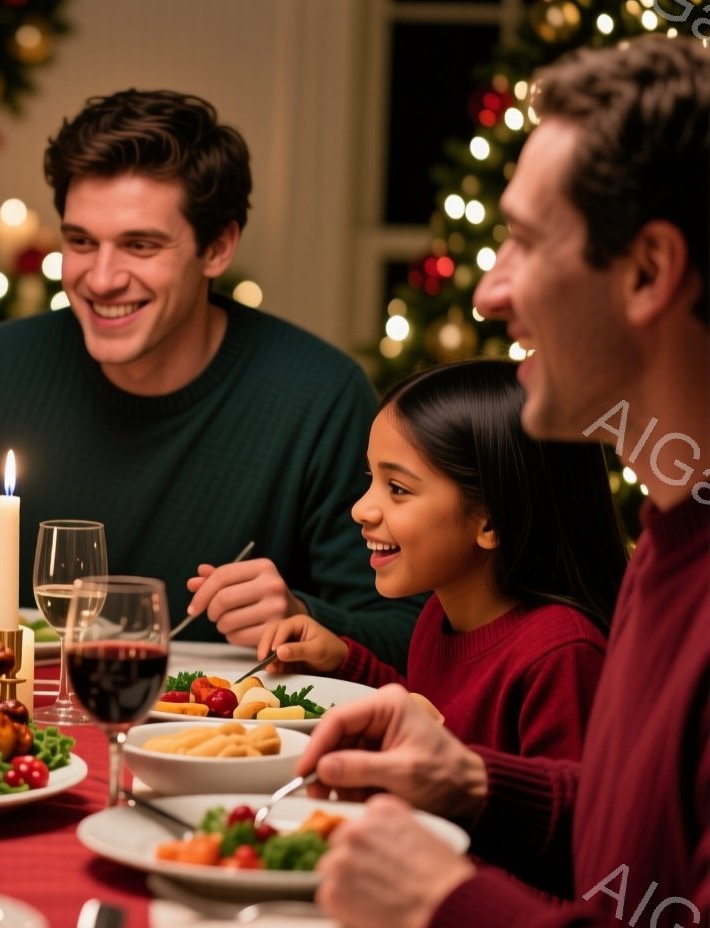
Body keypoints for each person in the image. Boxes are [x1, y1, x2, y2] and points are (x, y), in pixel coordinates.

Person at [0, 90, 419, 664]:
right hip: (35, 725)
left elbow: (405, 631)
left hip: (225, 746)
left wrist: (308, 618)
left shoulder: (319, 393)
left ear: (217, 248)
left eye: (140, 246)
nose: (101, 278)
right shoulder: (8, 361)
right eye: (81, 242)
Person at [294, 38, 709, 927]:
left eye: (523, 240)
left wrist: (447, 902)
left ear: (647, 272)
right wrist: (476, 782)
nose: (488, 293)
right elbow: (638, 849)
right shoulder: (671, 537)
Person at [255, 359, 625, 760]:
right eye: (370, 479)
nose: (361, 510)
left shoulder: (561, 656)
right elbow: (434, 715)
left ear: (492, 521)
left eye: (397, 488)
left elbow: (569, 812)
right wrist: (346, 664)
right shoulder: (438, 615)